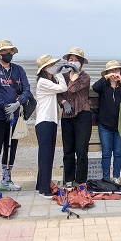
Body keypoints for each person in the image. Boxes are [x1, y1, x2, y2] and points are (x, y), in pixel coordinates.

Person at [0, 39, 32, 195]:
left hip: (15, 116)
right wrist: (3, 105)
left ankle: (6, 179)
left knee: (11, 147)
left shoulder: (18, 70)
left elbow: (27, 90)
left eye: (9, 52)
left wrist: (17, 103)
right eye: (4, 52)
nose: (7, 54)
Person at [34, 55, 68, 197]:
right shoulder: (43, 82)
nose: (54, 66)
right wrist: (59, 73)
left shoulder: (48, 81)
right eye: (52, 65)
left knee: (45, 155)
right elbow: (63, 87)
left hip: (49, 121)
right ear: (45, 68)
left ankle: (40, 184)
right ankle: (44, 189)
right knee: (46, 155)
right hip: (45, 122)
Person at [58, 47, 92, 188]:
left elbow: (71, 89)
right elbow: (58, 92)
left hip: (82, 115)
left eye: (77, 60)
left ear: (82, 63)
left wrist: (74, 76)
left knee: (81, 150)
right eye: (71, 60)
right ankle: (69, 179)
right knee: (68, 150)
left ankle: (81, 180)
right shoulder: (62, 76)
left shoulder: (85, 77)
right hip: (67, 116)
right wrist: (63, 102)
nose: (73, 62)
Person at [92, 60, 121, 184]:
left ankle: (116, 177)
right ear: (107, 72)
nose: (115, 72)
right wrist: (106, 78)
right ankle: (106, 177)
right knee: (106, 152)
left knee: (118, 152)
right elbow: (95, 87)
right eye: (112, 70)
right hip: (105, 124)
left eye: (117, 70)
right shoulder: (103, 85)